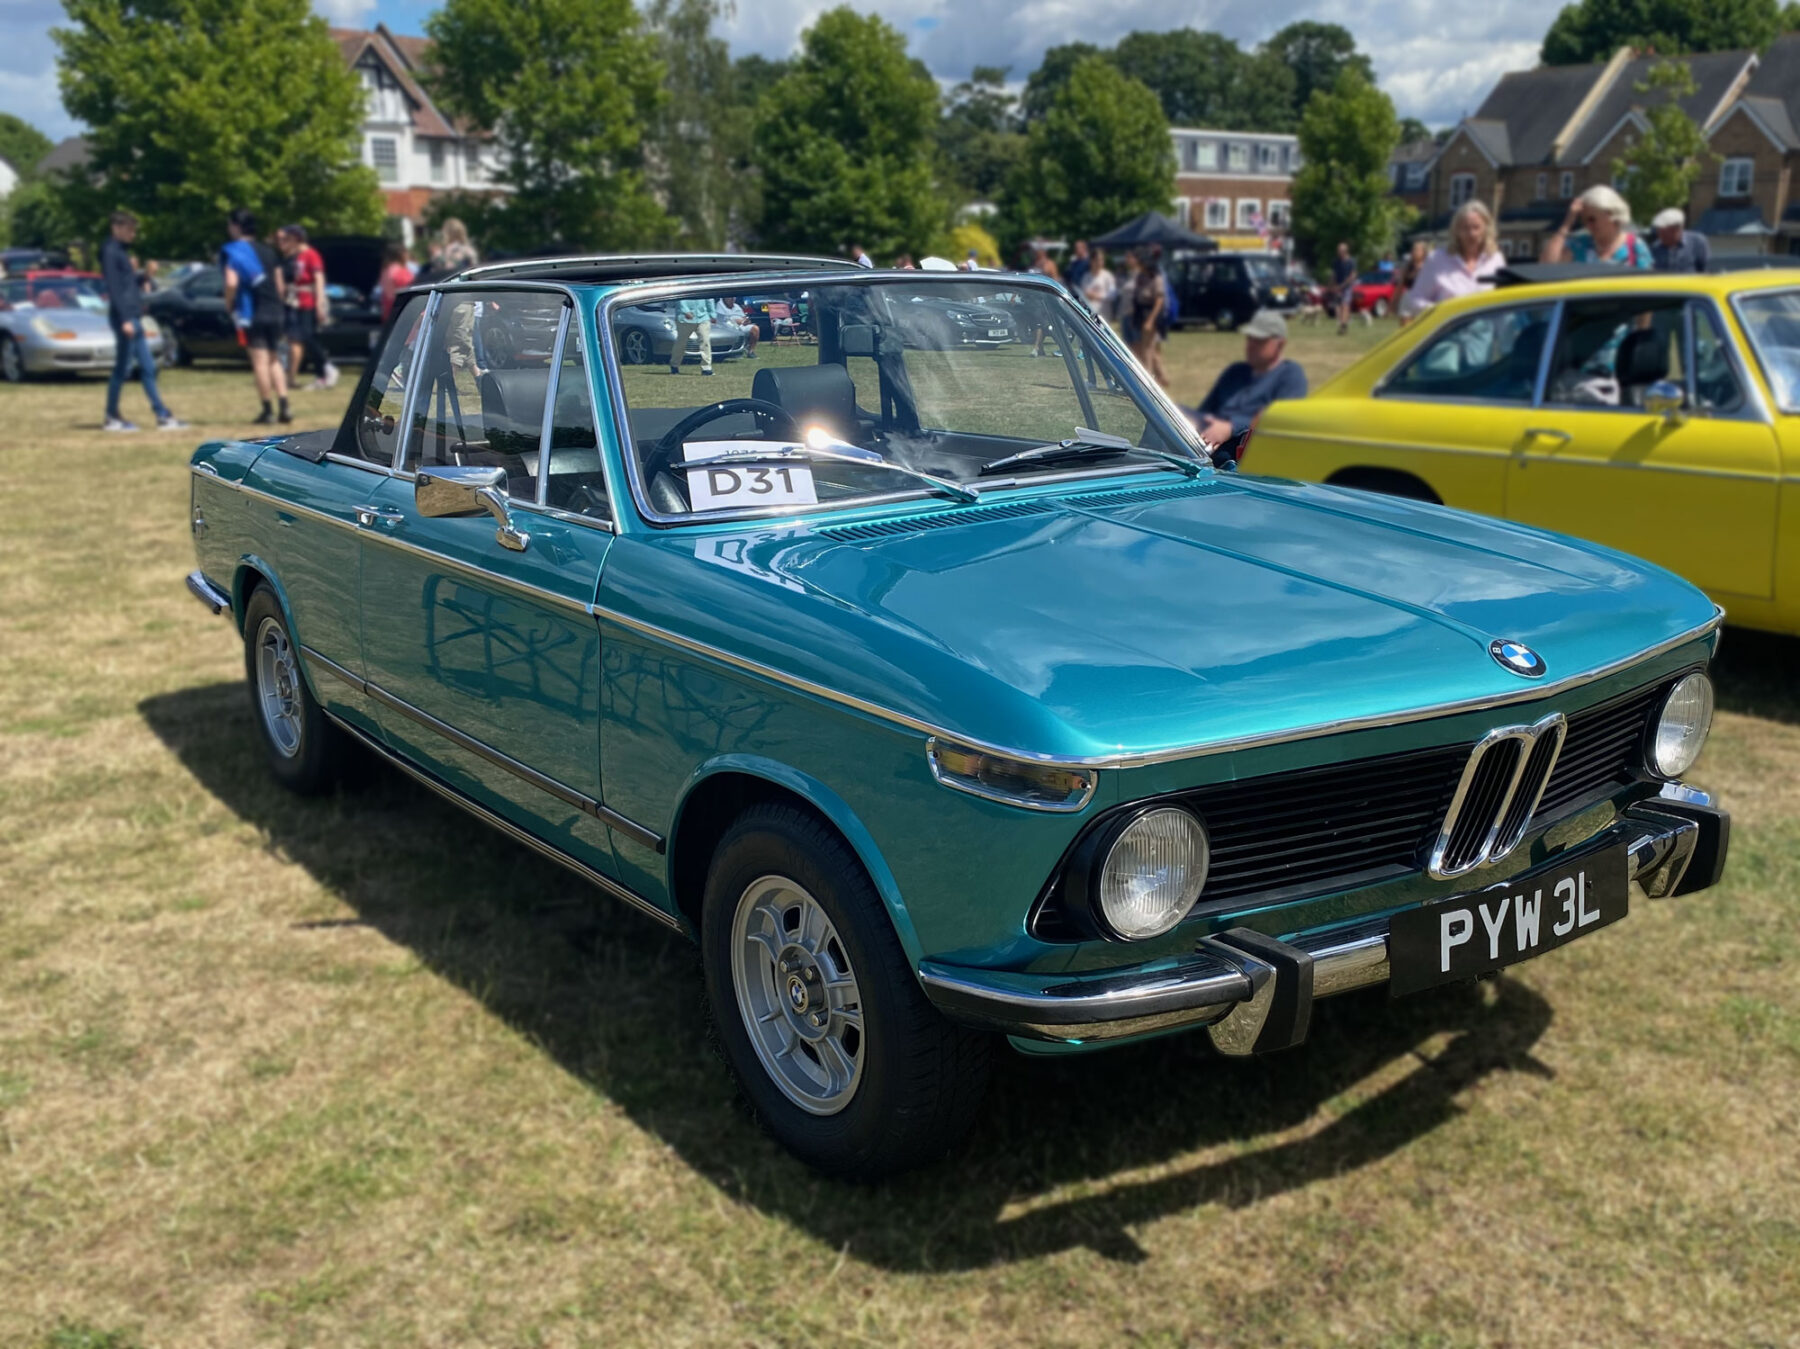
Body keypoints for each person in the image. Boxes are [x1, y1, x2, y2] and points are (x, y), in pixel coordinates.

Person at [98, 210, 185, 433]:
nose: (133, 234)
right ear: (116, 228)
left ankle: (162, 414)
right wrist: (126, 319)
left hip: (133, 316)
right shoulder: (110, 251)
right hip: (124, 318)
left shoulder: (121, 252)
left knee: (147, 367)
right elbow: (115, 288)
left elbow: (128, 283)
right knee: (122, 369)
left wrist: (144, 275)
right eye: (129, 229)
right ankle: (112, 416)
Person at [1195, 309, 1307, 461]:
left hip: (1241, 458)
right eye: (1250, 339)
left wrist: (1230, 428)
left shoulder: (1290, 374)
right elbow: (1205, 410)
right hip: (1201, 445)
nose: (1251, 345)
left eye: (1260, 340)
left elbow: (1279, 419)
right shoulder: (1235, 371)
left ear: (1280, 344)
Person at [221, 207, 289, 425]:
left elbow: (231, 282)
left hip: (253, 312)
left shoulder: (234, 251)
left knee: (260, 361)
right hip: (275, 310)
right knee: (274, 359)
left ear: (237, 226)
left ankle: (267, 410)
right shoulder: (269, 252)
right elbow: (280, 287)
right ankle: (285, 406)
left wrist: (229, 302)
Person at [1399, 200, 1506, 319]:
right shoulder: (1437, 259)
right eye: (1465, 228)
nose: (1471, 234)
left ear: (1486, 229)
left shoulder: (1495, 259)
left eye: (1476, 227)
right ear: (1456, 231)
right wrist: (1442, 311)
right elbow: (1414, 300)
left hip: (1485, 334)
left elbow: (1504, 303)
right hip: (1448, 333)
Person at [277, 225, 338, 391]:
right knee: (305, 337)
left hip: (309, 301)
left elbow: (318, 279)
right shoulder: (298, 257)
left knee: (308, 336)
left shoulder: (311, 255)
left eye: (288, 239)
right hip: (298, 301)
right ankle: (321, 374)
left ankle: (326, 368)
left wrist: (320, 303)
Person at [1541, 185, 1651, 267]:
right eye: (1584, 221)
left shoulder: (1635, 246)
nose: (1588, 226)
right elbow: (1547, 267)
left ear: (1611, 214)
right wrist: (1567, 223)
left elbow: (1647, 287)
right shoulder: (1579, 245)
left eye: (1592, 219)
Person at [1127, 249, 1168, 386]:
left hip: (1151, 313)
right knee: (1149, 347)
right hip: (1141, 311)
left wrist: (1150, 320)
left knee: (1147, 347)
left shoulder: (1156, 278)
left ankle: (1149, 377)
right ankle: (1158, 376)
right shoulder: (1141, 277)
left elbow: (1159, 301)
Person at [1650, 207, 1710, 273]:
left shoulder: (1697, 242)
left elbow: (1706, 270)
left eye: (1665, 234)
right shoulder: (1656, 247)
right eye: (1659, 233)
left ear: (1678, 229)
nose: (1661, 237)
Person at [672, 295, 713, 375]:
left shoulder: (703, 284)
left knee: (705, 341)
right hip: (685, 319)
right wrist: (686, 311)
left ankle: (706, 368)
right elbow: (680, 298)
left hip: (703, 317)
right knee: (681, 343)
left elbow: (709, 299)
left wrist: (712, 313)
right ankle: (674, 365)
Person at [378, 242, 415, 324]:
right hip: (401, 314)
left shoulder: (386, 270)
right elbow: (411, 291)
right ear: (400, 254)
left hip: (388, 313)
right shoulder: (401, 272)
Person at [1395, 240, 1429, 324]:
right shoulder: (1407, 267)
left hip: (1422, 300)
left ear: (1423, 252)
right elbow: (1400, 286)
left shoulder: (1428, 267)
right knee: (1405, 328)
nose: (1414, 252)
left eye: (1417, 250)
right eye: (1413, 250)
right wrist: (1393, 304)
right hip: (1408, 298)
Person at [714, 294, 758, 359]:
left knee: (755, 328)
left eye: (734, 297)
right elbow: (723, 319)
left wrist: (747, 321)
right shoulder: (720, 305)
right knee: (734, 330)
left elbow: (744, 317)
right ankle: (735, 352)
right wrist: (739, 321)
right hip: (729, 327)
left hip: (742, 325)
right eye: (730, 297)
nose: (732, 299)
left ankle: (750, 351)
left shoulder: (737, 306)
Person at [1081, 246, 1117, 319]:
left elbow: (1113, 295)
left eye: (1101, 260)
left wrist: (1096, 296)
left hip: (1104, 315)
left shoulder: (1108, 276)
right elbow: (1083, 294)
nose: (1100, 262)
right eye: (1097, 260)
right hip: (1089, 314)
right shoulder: (1086, 277)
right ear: (1091, 261)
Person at [1331, 241, 1356, 335]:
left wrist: (1343, 285)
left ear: (1345, 251)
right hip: (1338, 286)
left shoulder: (1351, 261)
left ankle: (1343, 324)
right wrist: (1333, 285)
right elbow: (1333, 275)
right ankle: (1344, 322)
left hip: (1347, 286)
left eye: (1340, 251)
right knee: (1340, 306)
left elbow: (1353, 275)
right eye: (1338, 250)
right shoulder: (1336, 262)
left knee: (1345, 304)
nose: (1338, 252)